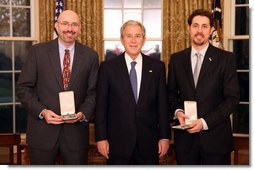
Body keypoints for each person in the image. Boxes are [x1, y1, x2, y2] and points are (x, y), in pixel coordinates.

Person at [16, 10, 99, 165]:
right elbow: (23, 88)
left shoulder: (91, 56)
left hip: (76, 135)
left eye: (74, 24)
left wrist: (83, 113)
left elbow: (93, 92)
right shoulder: (37, 52)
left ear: (80, 28)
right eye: (65, 23)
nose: (70, 28)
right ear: (56, 26)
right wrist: (42, 112)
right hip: (42, 133)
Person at [167, 9, 239, 165]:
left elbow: (232, 99)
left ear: (211, 30)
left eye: (205, 26)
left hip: (216, 140)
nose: (199, 31)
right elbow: (171, 93)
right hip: (185, 142)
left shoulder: (226, 59)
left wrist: (205, 122)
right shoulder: (176, 59)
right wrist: (178, 111)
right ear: (189, 28)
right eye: (195, 26)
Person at [95, 20, 171, 165]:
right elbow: (101, 107)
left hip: (149, 144)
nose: (133, 40)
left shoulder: (157, 67)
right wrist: (101, 138)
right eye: (129, 36)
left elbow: (162, 105)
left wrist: (164, 137)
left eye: (138, 36)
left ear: (144, 40)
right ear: (122, 40)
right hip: (117, 144)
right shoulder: (107, 68)